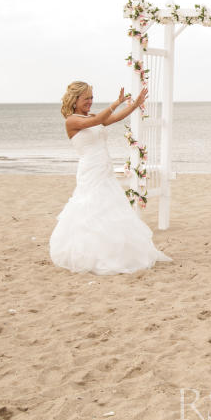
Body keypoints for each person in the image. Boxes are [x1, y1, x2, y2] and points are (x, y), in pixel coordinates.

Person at [50, 81, 171, 275]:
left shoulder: (91, 116)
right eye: (86, 98)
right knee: (90, 209)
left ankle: (113, 251)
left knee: (110, 207)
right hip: (90, 170)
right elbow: (96, 121)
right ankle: (88, 254)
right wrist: (115, 103)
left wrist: (134, 104)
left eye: (92, 97)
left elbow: (111, 119)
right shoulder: (72, 121)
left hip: (104, 169)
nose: (90, 101)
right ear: (75, 100)